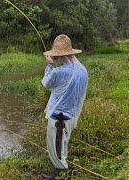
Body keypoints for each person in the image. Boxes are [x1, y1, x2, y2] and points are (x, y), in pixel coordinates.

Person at [41, 34, 88, 179]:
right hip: (71, 116)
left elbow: (46, 83)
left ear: (60, 56)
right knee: (62, 144)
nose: (56, 59)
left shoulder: (58, 72)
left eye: (56, 57)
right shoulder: (82, 70)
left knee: (56, 147)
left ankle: (61, 174)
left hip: (59, 119)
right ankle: (60, 170)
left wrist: (49, 65)